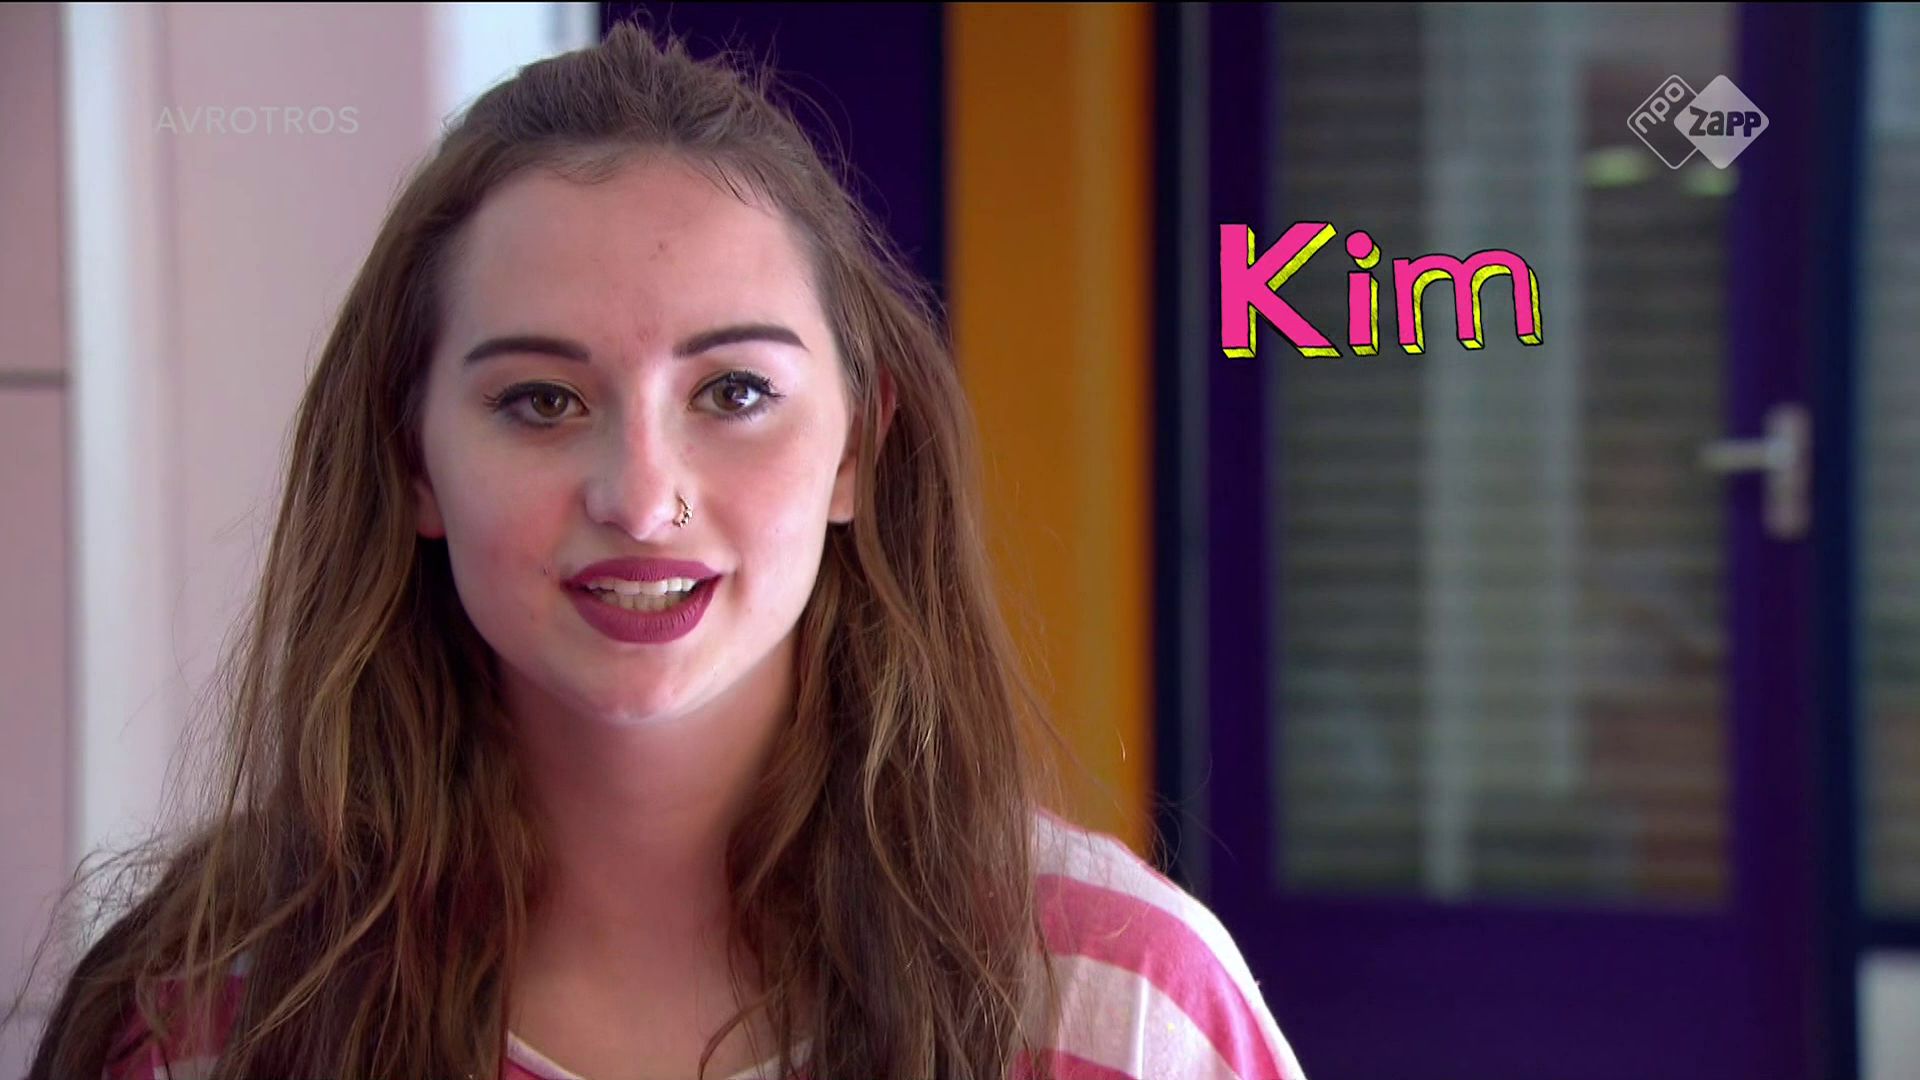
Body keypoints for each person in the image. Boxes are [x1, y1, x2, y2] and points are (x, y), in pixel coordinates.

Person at [19, 23, 1305, 1080]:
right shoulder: (209, 1019)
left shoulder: (1122, 1010)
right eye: (541, 401)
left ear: (857, 450)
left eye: (733, 393)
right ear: (412, 460)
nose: (641, 498)